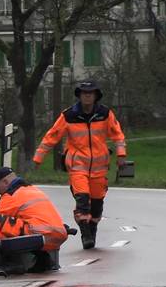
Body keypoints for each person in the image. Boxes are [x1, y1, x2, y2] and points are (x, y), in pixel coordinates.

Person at [33, 80, 127, 249]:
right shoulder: (69, 115)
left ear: (96, 96)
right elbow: (52, 136)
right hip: (77, 166)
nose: (87, 96)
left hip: (99, 168)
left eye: (90, 93)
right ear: (79, 96)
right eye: (84, 93)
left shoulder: (105, 114)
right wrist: (38, 158)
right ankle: (85, 235)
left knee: (97, 205)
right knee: (82, 199)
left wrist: (121, 155)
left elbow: (117, 135)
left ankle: (92, 229)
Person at [0, 166, 69, 273]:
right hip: (58, 234)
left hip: (39, 235)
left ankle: (12, 262)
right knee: (17, 225)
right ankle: (42, 260)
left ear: (5, 182)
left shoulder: (11, 195)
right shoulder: (32, 189)